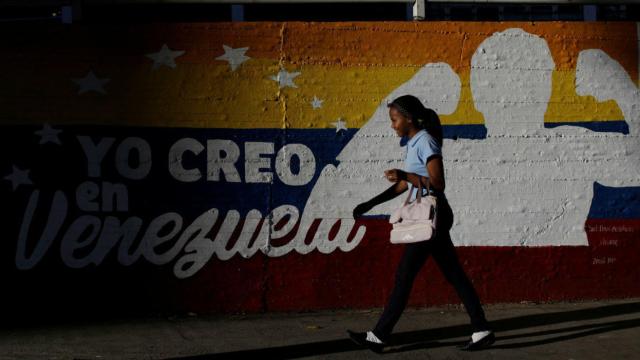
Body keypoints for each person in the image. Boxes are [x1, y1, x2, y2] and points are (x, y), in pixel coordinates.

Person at [347, 94, 495, 353]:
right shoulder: (414, 142)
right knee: (454, 275)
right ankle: (481, 329)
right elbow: (405, 185)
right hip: (428, 216)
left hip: (432, 216)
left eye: (394, 120)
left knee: (405, 276)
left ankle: (379, 336)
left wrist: (406, 174)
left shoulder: (425, 141)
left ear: (408, 119)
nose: (392, 125)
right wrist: (370, 204)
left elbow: (438, 184)